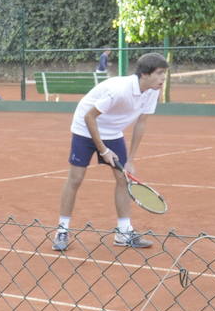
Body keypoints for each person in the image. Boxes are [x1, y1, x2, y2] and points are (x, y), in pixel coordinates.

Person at [51, 52, 168, 251]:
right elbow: (90, 117)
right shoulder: (119, 90)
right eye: (159, 74)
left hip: (113, 131)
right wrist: (103, 150)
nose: (163, 78)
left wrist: (131, 159)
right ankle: (62, 230)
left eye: (164, 74)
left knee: (123, 179)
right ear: (144, 74)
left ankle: (123, 233)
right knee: (76, 178)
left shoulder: (152, 91)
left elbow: (141, 123)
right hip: (85, 127)